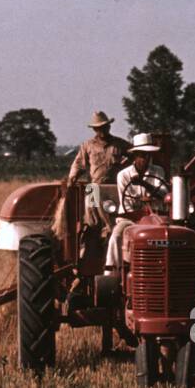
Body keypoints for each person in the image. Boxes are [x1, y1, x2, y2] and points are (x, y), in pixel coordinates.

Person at [55, 111, 130, 240]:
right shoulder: (87, 145)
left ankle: (110, 235)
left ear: (109, 127)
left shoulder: (119, 144)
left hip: (114, 186)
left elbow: (134, 156)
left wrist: (125, 164)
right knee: (91, 216)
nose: (103, 130)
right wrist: (72, 177)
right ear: (95, 129)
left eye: (105, 127)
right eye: (99, 128)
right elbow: (78, 164)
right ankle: (91, 240)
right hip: (94, 186)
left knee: (115, 215)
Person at [108, 133, 166, 271]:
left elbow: (163, 192)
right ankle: (111, 275)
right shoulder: (123, 175)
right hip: (130, 219)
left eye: (148, 155)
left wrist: (144, 185)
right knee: (116, 237)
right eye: (142, 155)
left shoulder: (158, 171)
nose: (145, 159)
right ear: (135, 156)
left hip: (155, 219)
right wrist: (145, 205)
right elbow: (127, 206)